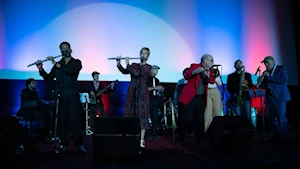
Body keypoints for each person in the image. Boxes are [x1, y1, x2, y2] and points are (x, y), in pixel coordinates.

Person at [36, 41, 86, 153]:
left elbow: (70, 71)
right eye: (63, 49)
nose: (65, 50)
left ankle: (79, 144)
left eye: (67, 48)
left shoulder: (76, 63)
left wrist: (55, 63)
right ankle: (64, 143)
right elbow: (49, 78)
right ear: (61, 51)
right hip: (61, 95)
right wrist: (41, 69)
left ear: (70, 50)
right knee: (62, 121)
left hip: (72, 95)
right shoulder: (57, 65)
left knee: (75, 120)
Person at [116, 47, 152, 148]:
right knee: (131, 112)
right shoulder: (135, 65)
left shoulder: (148, 67)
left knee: (142, 114)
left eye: (145, 53)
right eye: (142, 53)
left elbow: (137, 73)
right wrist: (119, 64)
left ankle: (141, 140)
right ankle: (131, 137)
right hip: (133, 90)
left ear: (148, 56)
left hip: (142, 92)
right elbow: (125, 71)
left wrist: (127, 64)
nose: (143, 55)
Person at [178, 54, 216, 144]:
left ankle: (200, 140)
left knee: (200, 119)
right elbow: (187, 75)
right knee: (185, 119)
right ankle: (181, 139)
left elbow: (212, 81)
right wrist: (196, 71)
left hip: (200, 98)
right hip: (190, 96)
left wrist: (207, 75)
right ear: (205, 61)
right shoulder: (195, 66)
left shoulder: (210, 70)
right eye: (211, 61)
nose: (212, 63)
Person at [257, 56, 291, 141]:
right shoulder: (266, 72)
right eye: (265, 63)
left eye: (267, 62)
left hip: (279, 97)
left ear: (272, 62)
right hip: (269, 97)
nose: (266, 64)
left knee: (280, 116)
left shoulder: (282, 68)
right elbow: (265, 85)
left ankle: (284, 136)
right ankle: (277, 135)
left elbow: (283, 80)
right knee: (271, 117)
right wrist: (260, 83)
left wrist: (269, 77)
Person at [147, 65, 164, 139]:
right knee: (147, 117)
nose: (156, 71)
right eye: (155, 69)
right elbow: (145, 89)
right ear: (150, 70)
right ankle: (147, 134)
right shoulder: (147, 79)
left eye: (157, 70)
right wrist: (155, 88)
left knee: (155, 117)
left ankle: (155, 133)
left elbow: (158, 88)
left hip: (155, 99)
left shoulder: (156, 80)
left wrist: (160, 89)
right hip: (147, 99)